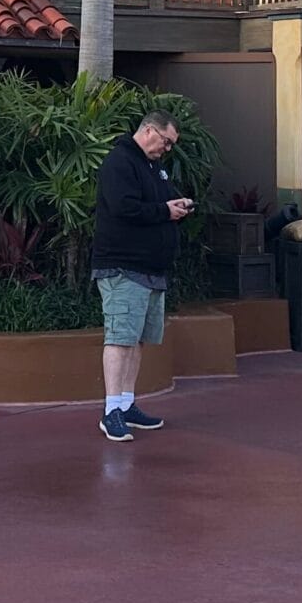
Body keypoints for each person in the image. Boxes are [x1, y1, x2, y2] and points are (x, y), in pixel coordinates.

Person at [91, 111, 192, 441]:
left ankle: (127, 403)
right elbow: (124, 207)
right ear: (149, 131)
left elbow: (163, 199)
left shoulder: (154, 167)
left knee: (136, 340)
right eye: (166, 142)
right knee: (120, 338)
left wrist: (179, 205)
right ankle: (110, 411)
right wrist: (165, 211)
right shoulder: (119, 162)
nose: (167, 149)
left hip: (151, 270)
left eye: (171, 145)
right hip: (123, 267)